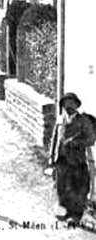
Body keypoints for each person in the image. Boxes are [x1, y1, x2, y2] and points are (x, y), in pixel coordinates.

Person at [49, 92, 95, 228]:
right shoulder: (60, 119)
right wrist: (51, 157)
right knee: (61, 185)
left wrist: (76, 142)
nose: (68, 107)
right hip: (61, 159)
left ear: (76, 105)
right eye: (65, 104)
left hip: (77, 161)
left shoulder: (83, 121)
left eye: (71, 104)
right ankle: (63, 208)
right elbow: (55, 139)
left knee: (77, 188)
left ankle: (76, 216)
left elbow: (91, 139)